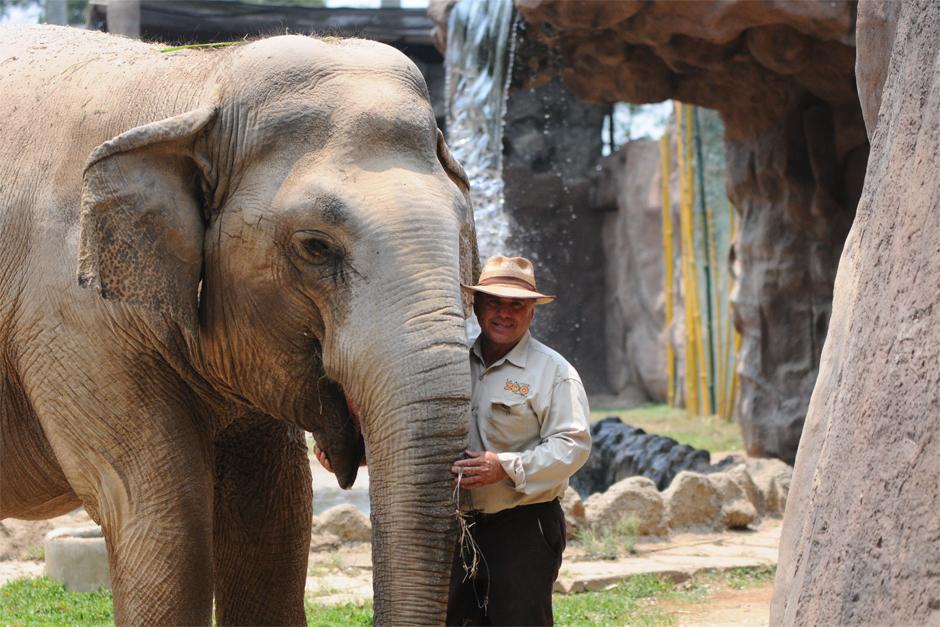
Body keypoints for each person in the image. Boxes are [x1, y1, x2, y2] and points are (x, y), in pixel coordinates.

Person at [448, 255, 591, 626]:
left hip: (524, 528)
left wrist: (505, 467)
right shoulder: (450, 362)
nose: (504, 313)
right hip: (456, 527)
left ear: (532, 312)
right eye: (494, 302)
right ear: (476, 305)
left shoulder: (555, 372)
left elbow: (573, 446)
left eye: (517, 305)